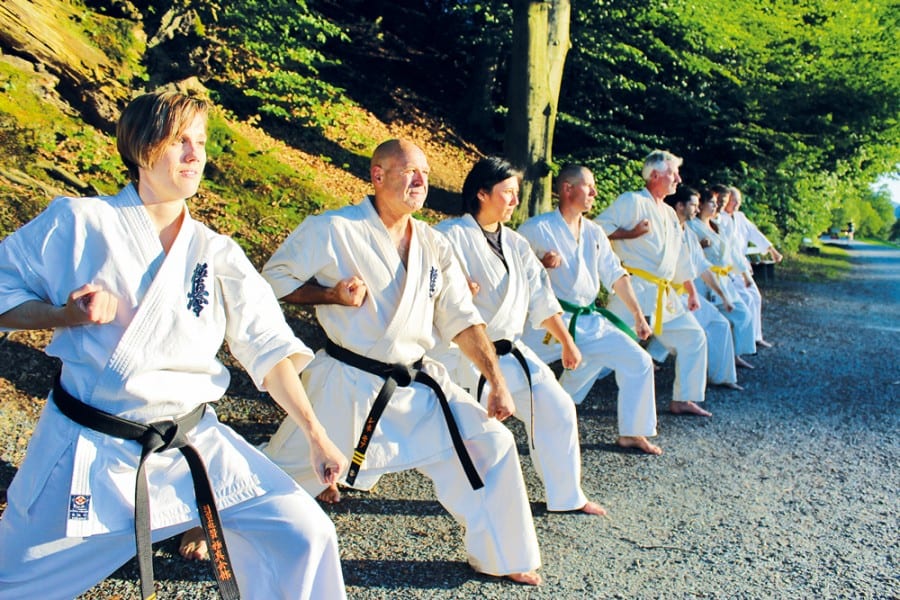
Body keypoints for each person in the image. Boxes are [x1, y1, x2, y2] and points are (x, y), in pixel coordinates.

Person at [0, 91, 347, 600]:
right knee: (13, 581)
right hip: (92, 450)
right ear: (141, 148)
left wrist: (317, 436)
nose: (194, 155)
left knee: (304, 533)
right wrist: (62, 315)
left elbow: (270, 351)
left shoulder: (215, 250)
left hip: (192, 445)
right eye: (179, 141)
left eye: (200, 142)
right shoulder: (79, 222)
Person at [259, 140, 543, 585]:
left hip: (418, 382)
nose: (420, 181)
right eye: (410, 171)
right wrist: (329, 294)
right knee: (283, 469)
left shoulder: (432, 242)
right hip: (349, 383)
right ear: (377, 175)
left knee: (493, 445)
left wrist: (496, 379)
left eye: (426, 174)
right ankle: (209, 515)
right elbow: (271, 284)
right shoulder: (332, 228)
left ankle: (503, 555)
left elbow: (463, 319)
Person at [431, 157, 606, 514]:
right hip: (469, 353)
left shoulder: (516, 243)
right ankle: (349, 474)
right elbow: (425, 279)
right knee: (467, 435)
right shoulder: (447, 235)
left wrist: (565, 340)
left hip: (513, 350)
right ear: (481, 193)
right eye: (507, 192)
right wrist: (454, 286)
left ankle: (567, 496)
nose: (514, 201)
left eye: (516, 193)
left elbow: (541, 295)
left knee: (557, 407)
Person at [518, 164, 662, 454]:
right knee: (509, 368)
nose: (595, 192)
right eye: (588, 186)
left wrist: (636, 315)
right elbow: (512, 273)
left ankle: (633, 433)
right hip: (547, 321)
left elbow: (616, 274)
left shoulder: (594, 232)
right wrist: (540, 265)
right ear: (568, 189)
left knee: (639, 362)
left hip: (589, 320)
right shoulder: (535, 229)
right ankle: (477, 426)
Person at [595, 150, 711, 417]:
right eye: (673, 173)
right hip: (634, 290)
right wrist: (630, 233)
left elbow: (679, 256)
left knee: (693, 337)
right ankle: (564, 396)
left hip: (664, 295)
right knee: (600, 349)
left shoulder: (670, 213)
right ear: (655, 175)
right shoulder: (632, 201)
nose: (678, 179)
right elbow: (596, 229)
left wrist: (691, 290)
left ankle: (683, 399)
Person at [665, 186, 748, 389]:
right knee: (693, 337)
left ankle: (721, 377)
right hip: (667, 295)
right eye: (693, 204)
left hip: (686, 294)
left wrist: (724, 296)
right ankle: (685, 390)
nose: (696, 208)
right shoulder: (667, 229)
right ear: (679, 206)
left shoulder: (688, 234)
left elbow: (703, 267)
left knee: (719, 325)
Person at [685, 189, 758, 362]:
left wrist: (745, 275)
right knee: (697, 321)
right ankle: (657, 357)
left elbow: (733, 252)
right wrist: (698, 245)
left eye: (717, 203)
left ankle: (734, 355)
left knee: (742, 315)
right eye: (712, 202)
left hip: (723, 280)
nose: (716, 206)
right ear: (701, 205)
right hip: (703, 281)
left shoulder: (718, 226)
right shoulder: (691, 226)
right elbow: (684, 252)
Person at [724, 185, 783, 345]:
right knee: (746, 300)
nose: (736, 204)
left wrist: (772, 250)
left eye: (738, 201)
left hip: (742, 265)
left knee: (755, 297)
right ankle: (743, 340)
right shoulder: (719, 219)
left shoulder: (740, 217)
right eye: (733, 200)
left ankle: (756, 336)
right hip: (728, 267)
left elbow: (755, 233)